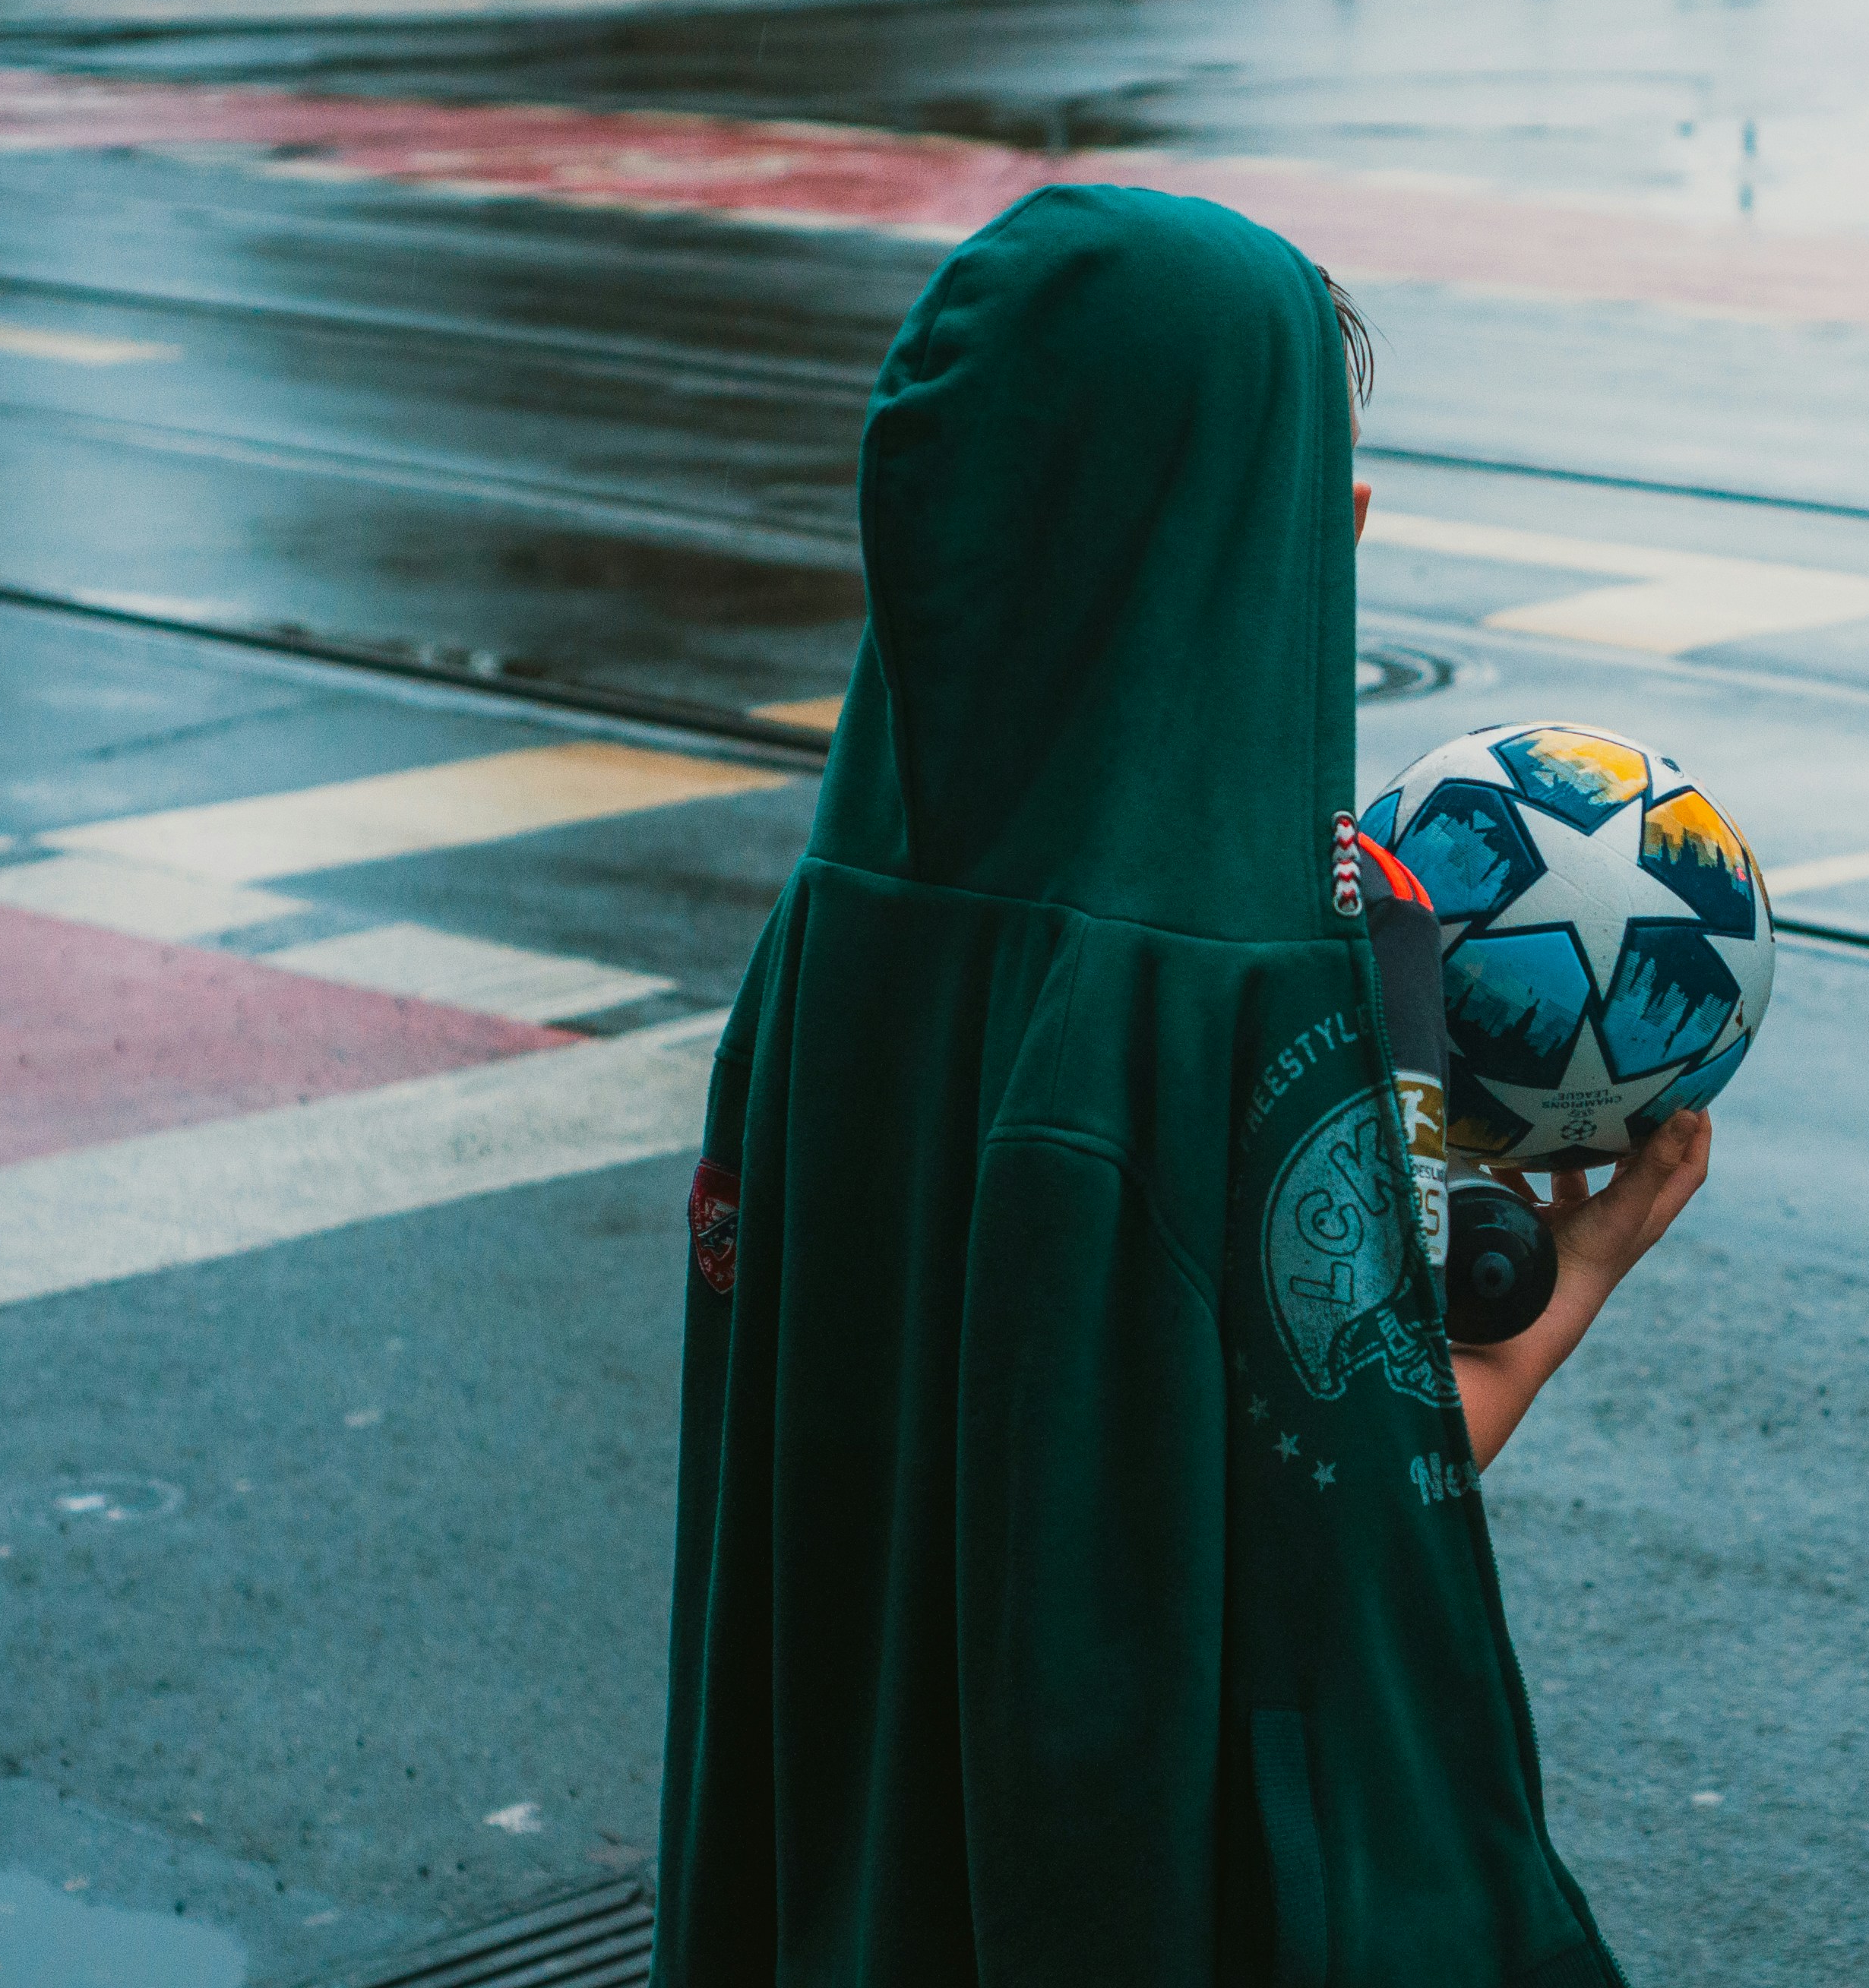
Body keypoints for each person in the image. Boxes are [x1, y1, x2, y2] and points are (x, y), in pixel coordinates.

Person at [654, 182, 1712, 1988]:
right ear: (1281, 534)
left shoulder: (828, 933)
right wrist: (1582, 1268)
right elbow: (1361, 1542)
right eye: (1318, 486)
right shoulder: (1269, 989)